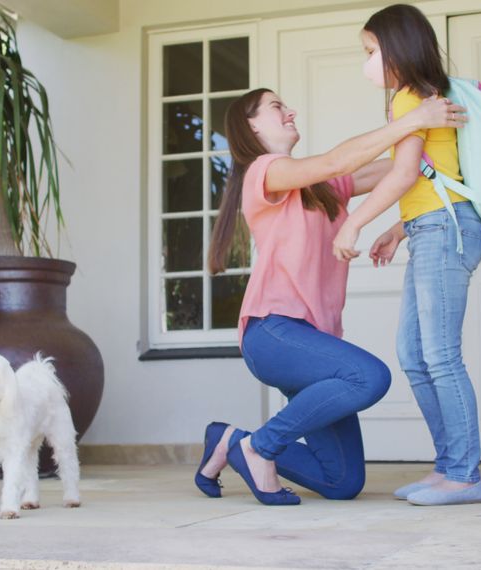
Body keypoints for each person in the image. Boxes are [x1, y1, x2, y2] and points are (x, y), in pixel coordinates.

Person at [194, 86, 466, 505]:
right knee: (369, 377)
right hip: (273, 332)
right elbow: (337, 160)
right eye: (277, 107)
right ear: (251, 125)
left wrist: (429, 124)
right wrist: (412, 119)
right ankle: (259, 447)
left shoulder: (323, 187)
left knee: (341, 482)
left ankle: (232, 441)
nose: (291, 111)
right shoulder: (263, 172)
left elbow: (402, 168)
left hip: (313, 341)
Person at [332, 3, 481, 506]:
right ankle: (448, 467)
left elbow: (403, 175)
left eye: (371, 50)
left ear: (396, 48)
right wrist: (399, 230)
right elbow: (436, 175)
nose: (367, 61)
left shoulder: (411, 99)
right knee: (414, 354)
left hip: (443, 229)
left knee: (439, 355)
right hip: (431, 226)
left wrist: (354, 222)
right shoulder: (420, 98)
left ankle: (464, 474)